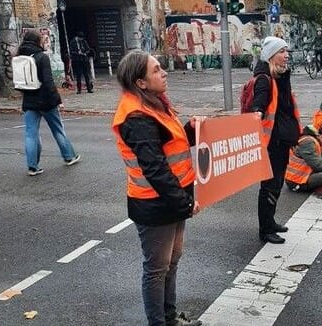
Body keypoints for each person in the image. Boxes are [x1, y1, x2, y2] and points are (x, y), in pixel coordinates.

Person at [111, 50, 202, 326]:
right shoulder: (136, 116)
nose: (163, 73)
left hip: (169, 201)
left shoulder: (153, 104)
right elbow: (155, 169)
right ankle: (159, 322)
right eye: (156, 69)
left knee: (170, 262)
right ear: (140, 82)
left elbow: (166, 146)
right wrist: (183, 203)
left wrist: (190, 131)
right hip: (155, 204)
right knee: (157, 269)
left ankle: (169, 317)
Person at [251, 36, 302, 244]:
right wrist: (257, 113)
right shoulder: (265, 79)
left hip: (281, 141)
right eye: (282, 51)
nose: (286, 55)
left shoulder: (279, 76)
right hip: (272, 143)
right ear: (272, 55)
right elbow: (259, 104)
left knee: (277, 183)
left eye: (286, 51)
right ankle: (265, 229)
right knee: (270, 186)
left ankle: (270, 222)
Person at [16, 29, 81, 176]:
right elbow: (48, 81)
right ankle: (69, 156)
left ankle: (32, 166)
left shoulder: (19, 56)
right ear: (37, 41)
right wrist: (58, 100)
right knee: (58, 129)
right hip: (45, 100)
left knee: (30, 134)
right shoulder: (41, 57)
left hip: (29, 100)